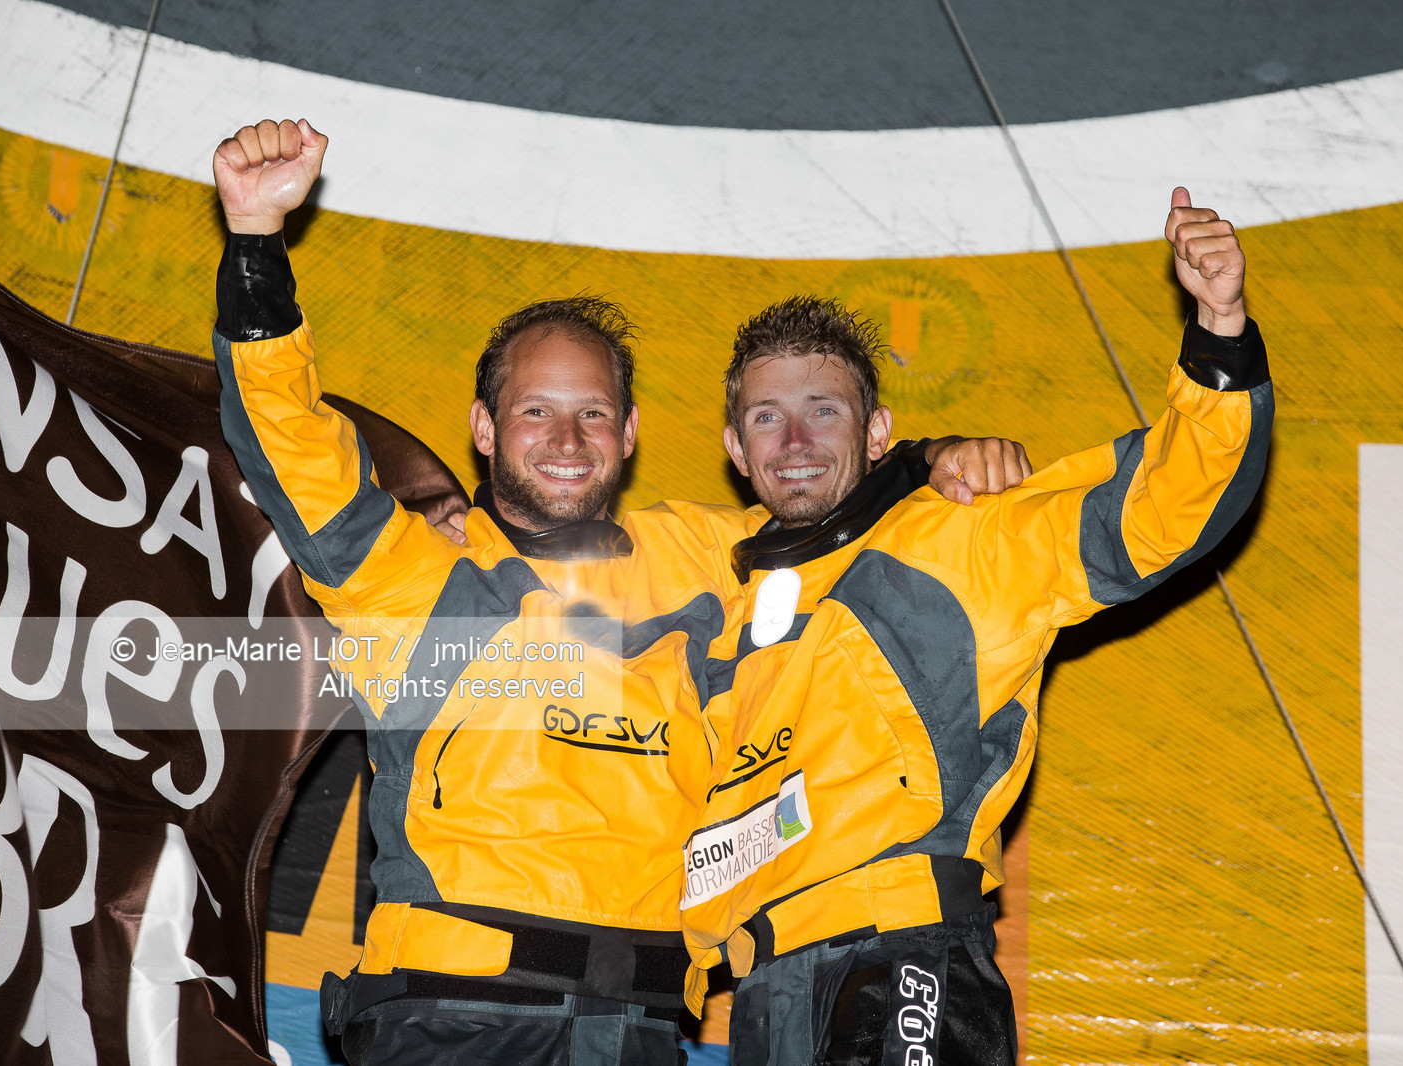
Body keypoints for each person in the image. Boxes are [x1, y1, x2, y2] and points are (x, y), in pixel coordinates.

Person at [209, 117, 1027, 1065]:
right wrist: (257, 246)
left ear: (630, 432)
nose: (567, 440)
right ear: (483, 426)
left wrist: (932, 458)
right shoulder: (411, 572)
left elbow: (830, 496)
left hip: (639, 1033)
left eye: (593, 412)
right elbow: (288, 443)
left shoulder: (714, 558)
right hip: (448, 1022)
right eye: (536, 413)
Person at [679, 190, 1271, 1066]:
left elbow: (1157, 508)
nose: (795, 438)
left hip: (904, 955)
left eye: (825, 410)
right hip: (765, 997)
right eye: (768, 416)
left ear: (877, 431)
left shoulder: (958, 537)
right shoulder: (716, 593)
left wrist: (1220, 333)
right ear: (736, 445)